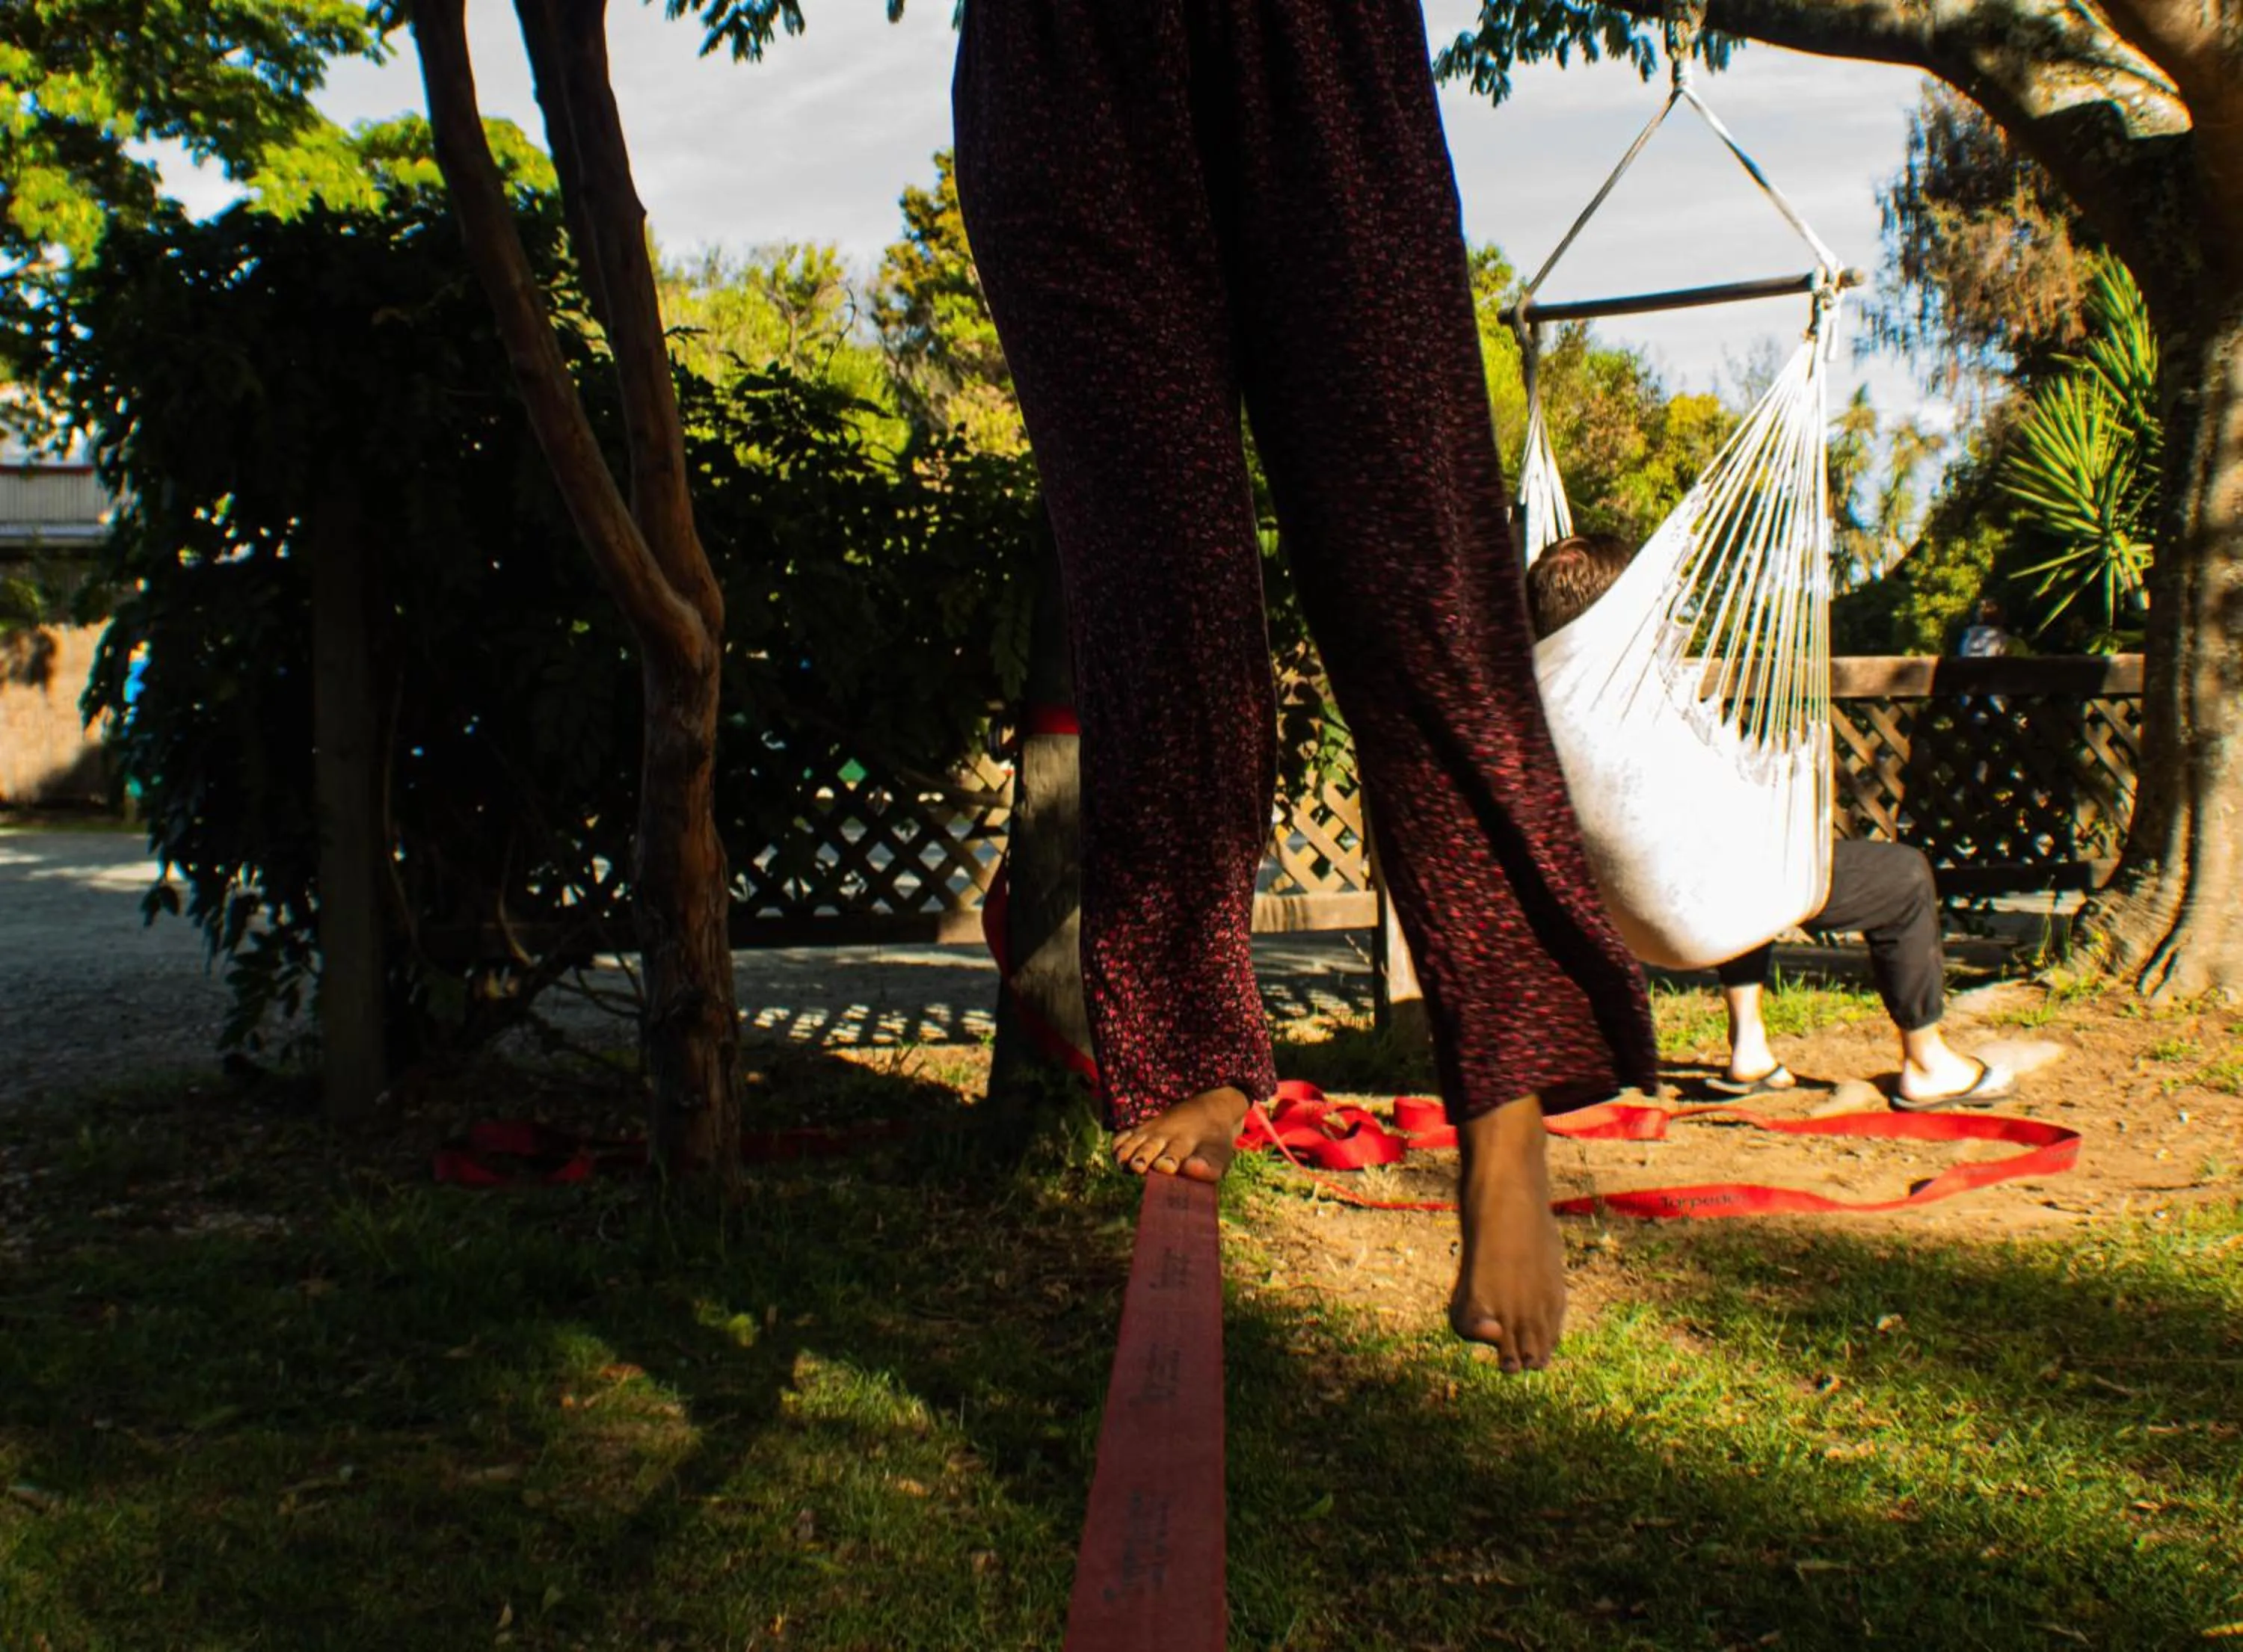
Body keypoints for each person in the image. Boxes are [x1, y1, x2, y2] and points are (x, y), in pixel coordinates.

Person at [955, 0, 1660, 1374]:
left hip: (1311, 36)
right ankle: (1193, 1038)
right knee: (1156, 572)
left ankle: (1506, 1100)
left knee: (1420, 567)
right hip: (1059, 56)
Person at [1525, 534, 2016, 1110]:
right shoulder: (1637, 701)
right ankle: (1929, 1064)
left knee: (1725, 861)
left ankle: (1750, 1050)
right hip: (1696, 912)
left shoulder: (1538, 700)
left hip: (1628, 921)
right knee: (1902, 877)